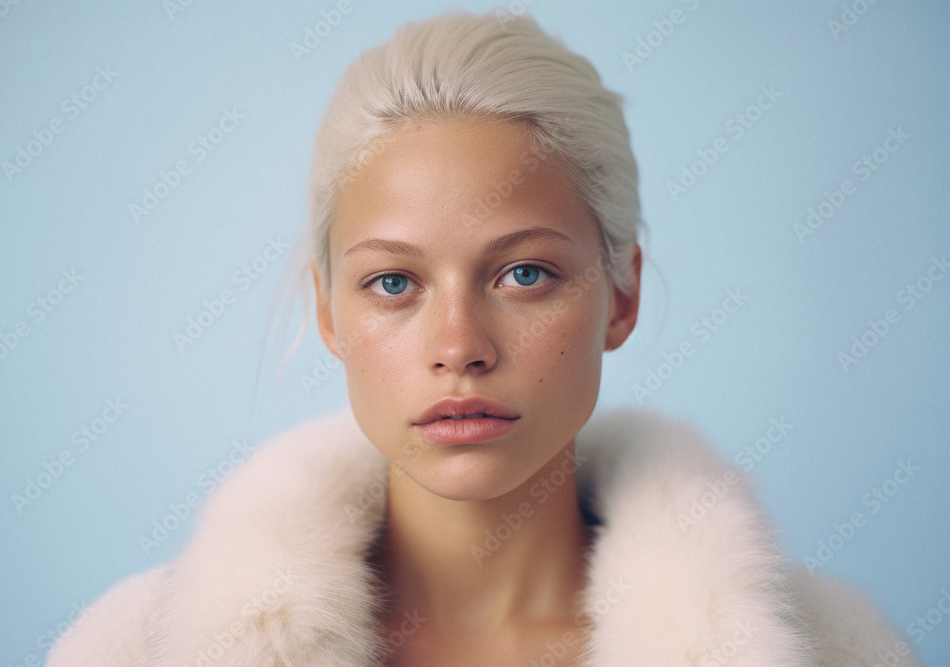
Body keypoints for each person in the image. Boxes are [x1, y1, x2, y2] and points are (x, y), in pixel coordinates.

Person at [47, 10, 919, 666]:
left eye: (524, 274)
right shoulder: (132, 646)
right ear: (328, 315)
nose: (459, 345)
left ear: (621, 295)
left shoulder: (834, 648)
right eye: (394, 283)